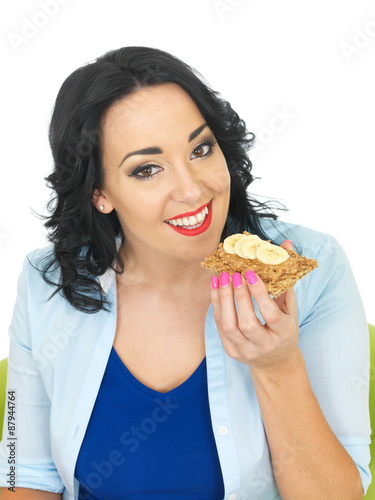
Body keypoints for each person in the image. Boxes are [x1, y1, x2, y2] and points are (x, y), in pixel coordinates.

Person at [0, 46, 371, 500]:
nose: (193, 189)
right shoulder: (46, 284)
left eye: (201, 148)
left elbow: (338, 495)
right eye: (147, 169)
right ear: (99, 192)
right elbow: (21, 471)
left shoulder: (312, 269)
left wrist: (277, 366)